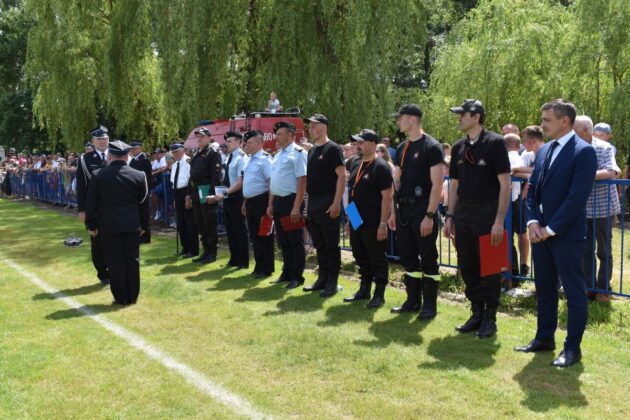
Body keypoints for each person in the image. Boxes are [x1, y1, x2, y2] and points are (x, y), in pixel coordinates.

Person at [515, 99, 597, 368]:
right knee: (545, 289)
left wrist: (550, 229)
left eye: (547, 119)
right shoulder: (545, 149)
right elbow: (533, 191)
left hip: (566, 236)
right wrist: (532, 223)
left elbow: (576, 198)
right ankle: (544, 338)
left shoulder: (584, 152)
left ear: (564, 121)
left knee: (574, 294)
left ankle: (572, 349)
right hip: (540, 234)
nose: (542, 123)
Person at [444, 99, 511, 338]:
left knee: (491, 267)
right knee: (468, 265)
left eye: (463, 114)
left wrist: (499, 221)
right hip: (464, 213)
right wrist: (450, 215)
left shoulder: (495, 143)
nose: (459, 118)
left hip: (488, 212)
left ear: (476, 117)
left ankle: (490, 318)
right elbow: (454, 184)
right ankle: (476, 313)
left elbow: (505, 184)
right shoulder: (459, 146)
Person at [388, 104, 445, 319]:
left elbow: (437, 184)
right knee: (408, 257)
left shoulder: (432, 146)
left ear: (412, 119)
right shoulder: (402, 147)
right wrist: (393, 213)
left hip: (423, 209)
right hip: (404, 210)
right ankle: (412, 300)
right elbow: (397, 182)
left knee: (428, 257)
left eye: (400, 118)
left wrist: (430, 215)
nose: (397, 122)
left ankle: (429, 305)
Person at [85, 140, 149, 305]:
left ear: (110, 156)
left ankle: (120, 297)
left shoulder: (98, 175)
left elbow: (91, 204)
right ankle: (132, 296)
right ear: (127, 156)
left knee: (114, 261)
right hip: (132, 225)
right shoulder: (139, 175)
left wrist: (91, 225)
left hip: (109, 226)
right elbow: (143, 203)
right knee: (132, 260)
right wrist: (144, 226)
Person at [343, 129, 394, 308]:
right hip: (357, 219)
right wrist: (350, 220)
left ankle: (379, 294)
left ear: (372, 144)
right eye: (356, 142)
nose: (358, 145)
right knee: (360, 255)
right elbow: (352, 193)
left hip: (374, 221)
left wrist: (383, 224)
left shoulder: (381, 166)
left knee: (377, 258)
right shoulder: (355, 163)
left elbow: (387, 198)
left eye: (361, 142)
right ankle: (364, 289)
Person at [574, 115, 620, 302]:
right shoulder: (572, 147)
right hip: (581, 209)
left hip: (603, 208)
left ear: (586, 130)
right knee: (584, 250)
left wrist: (585, 176)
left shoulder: (603, 147)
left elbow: (611, 172)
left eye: (574, 130)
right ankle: (588, 286)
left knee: (604, 251)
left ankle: (603, 288)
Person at [302, 114, 347, 297]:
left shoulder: (333, 149)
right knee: (319, 244)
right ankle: (322, 278)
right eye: (310, 126)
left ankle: (332, 281)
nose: (310, 129)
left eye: (314, 126)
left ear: (323, 127)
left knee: (331, 244)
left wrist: (336, 203)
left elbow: (342, 176)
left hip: (328, 200)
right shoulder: (312, 151)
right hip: (314, 202)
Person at [267, 121, 308, 288]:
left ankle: (297, 276)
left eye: (280, 133)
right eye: (276, 133)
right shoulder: (278, 154)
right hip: (278, 201)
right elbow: (274, 180)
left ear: (291, 135)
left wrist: (296, 207)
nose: (277, 136)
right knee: (283, 241)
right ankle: (287, 271)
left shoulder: (298, 153)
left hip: (291, 201)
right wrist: (270, 204)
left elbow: (302, 181)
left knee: (295, 241)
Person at [77, 126, 110, 285]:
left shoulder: (116, 155)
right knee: (97, 241)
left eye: (105, 138)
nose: (103, 141)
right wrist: (82, 210)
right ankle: (102, 274)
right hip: (94, 207)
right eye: (99, 139)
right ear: (93, 142)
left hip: (113, 206)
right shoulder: (85, 159)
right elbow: (82, 187)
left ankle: (113, 270)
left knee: (113, 239)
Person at [241, 130, 274, 278]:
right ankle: (258, 266)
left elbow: (270, 183)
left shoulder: (265, 159)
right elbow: (249, 183)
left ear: (259, 143)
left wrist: (270, 204)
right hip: (250, 201)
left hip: (262, 201)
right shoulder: (249, 159)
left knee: (264, 236)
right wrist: (245, 202)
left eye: (249, 142)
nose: (246, 144)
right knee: (254, 236)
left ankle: (266, 268)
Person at [214, 131, 249, 269]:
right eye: (226, 141)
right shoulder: (229, 157)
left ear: (238, 141)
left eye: (229, 141)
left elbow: (240, 181)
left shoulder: (241, 157)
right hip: (228, 196)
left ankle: (243, 261)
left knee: (239, 230)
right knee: (230, 230)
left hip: (237, 197)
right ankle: (234, 258)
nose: (226, 144)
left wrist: (226, 192)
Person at [187, 127, 222, 264]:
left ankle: (212, 253)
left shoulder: (212, 153)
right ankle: (205, 251)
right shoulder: (197, 153)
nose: (199, 139)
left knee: (209, 223)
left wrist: (212, 195)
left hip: (206, 190)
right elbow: (192, 176)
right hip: (196, 190)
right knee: (200, 223)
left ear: (209, 137)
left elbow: (216, 177)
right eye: (198, 137)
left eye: (202, 136)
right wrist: (189, 194)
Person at [504, 133, 528, 283]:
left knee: (508, 238)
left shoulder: (510, 157)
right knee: (520, 234)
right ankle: (518, 270)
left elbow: (507, 171)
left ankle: (512, 273)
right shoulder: (520, 158)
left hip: (510, 203)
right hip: (518, 201)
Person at [170, 143, 199, 258]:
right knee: (181, 223)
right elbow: (173, 182)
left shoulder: (188, 162)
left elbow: (191, 181)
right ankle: (185, 247)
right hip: (177, 193)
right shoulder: (174, 164)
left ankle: (193, 249)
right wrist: (174, 198)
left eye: (176, 151)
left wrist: (189, 196)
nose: (174, 154)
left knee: (190, 223)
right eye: (173, 152)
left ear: (182, 150)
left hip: (186, 192)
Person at [129, 141, 153, 244]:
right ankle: (139, 234)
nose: (132, 150)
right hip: (134, 190)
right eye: (132, 148)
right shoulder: (133, 160)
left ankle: (146, 237)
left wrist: (146, 189)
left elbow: (147, 177)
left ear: (140, 148)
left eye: (134, 148)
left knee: (144, 213)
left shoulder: (145, 160)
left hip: (143, 189)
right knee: (137, 212)